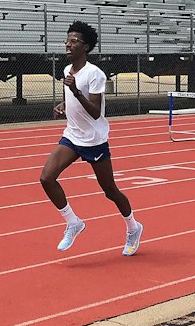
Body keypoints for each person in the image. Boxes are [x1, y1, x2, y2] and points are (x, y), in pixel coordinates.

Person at [40, 20, 143, 256]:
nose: (68, 44)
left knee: (110, 191)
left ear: (85, 47)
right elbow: (75, 99)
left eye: (74, 41)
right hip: (72, 136)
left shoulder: (95, 74)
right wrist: (64, 104)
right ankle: (73, 222)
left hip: (94, 140)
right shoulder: (67, 71)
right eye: (67, 40)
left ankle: (133, 227)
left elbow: (96, 111)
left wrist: (75, 91)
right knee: (46, 178)